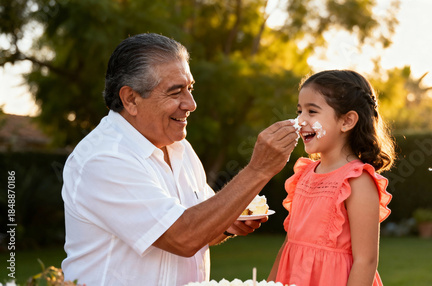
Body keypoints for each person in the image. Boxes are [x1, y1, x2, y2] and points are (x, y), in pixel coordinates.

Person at [61, 33, 298, 286]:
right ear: (130, 99)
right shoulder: (104, 159)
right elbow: (183, 236)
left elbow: (204, 226)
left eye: (190, 88)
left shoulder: (179, 147)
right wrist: (258, 170)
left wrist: (228, 225)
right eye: (176, 92)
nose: (191, 104)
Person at [268, 70, 395, 286]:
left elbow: (366, 260)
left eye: (312, 111)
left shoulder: (357, 181)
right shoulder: (304, 174)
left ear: (347, 121)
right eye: (299, 111)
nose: (300, 121)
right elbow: (289, 244)